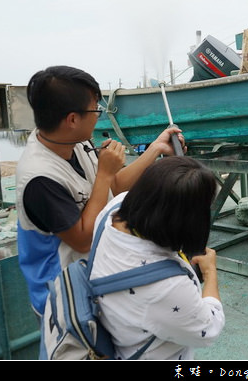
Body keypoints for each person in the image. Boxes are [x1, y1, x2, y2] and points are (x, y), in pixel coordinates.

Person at [15, 65, 186, 319]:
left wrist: (154, 150)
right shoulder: (40, 179)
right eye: (95, 109)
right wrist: (104, 173)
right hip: (65, 298)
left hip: (94, 278)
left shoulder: (74, 142)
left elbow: (113, 187)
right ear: (72, 119)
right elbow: (82, 239)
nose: (99, 115)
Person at [90, 155, 224, 360]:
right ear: (189, 221)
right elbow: (208, 328)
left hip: (118, 333)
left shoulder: (112, 209)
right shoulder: (167, 286)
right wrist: (210, 272)